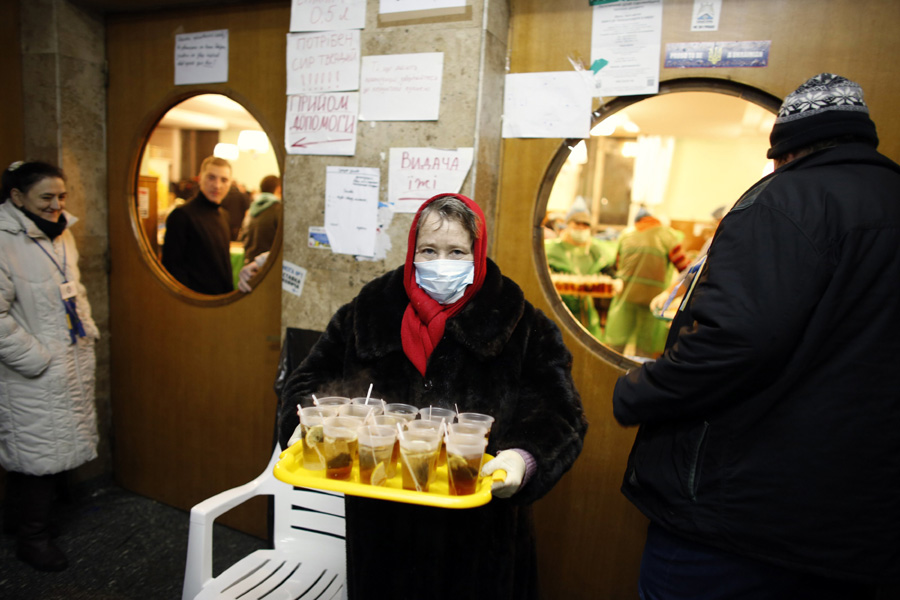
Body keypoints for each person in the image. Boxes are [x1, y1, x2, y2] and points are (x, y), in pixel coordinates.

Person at [612, 73, 900, 599]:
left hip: (744, 517)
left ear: (784, 151)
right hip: (865, 522)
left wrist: (639, 391)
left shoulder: (782, 202)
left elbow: (735, 341)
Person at [277, 193, 588, 600]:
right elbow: (309, 379)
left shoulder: (520, 324)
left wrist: (523, 459)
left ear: (477, 254)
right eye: (429, 249)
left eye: (457, 251)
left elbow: (561, 413)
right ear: (412, 250)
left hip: (480, 536)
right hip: (382, 526)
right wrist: (305, 427)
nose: (442, 262)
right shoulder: (368, 313)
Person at [0, 161, 100, 572]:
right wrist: (37, 357)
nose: (56, 204)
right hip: (30, 369)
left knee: (49, 448)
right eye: (46, 197)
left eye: (61, 196)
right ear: (17, 197)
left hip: (66, 358)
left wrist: (87, 333)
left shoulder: (60, 234)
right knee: (35, 455)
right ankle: (32, 541)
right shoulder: (5, 240)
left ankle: (20, 523)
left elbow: (71, 291)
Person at [603, 206, 689, 358]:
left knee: (616, 348)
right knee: (645, 350)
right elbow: (686, 270)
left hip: (626, 298)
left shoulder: (626, 235)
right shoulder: (667, 235)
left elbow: (617, 265)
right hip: (654, 300)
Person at [161, 156, 234, 294]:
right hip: (196, 304)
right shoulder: (181, 215)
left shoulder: (224, 215)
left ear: (230, 184)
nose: (217, 185)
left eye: (223, 180)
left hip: (222, 301)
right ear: (200, 178)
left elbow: (223, 264)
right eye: (211, 177)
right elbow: (172, 267)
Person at [544, 209, 616, 337]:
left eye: (585, 225)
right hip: (557, 304)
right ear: (568, 225)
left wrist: (616, 281)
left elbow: (605, 268)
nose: (581, 228)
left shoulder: (593, 249)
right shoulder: (553, 248)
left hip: (585, 309)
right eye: (577, 224)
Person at [239, 174, 281, 265]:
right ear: (278, 188)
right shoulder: (279, 210)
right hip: (267, 266)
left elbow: (242, 236)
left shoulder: (251, 209)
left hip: (249, 263)